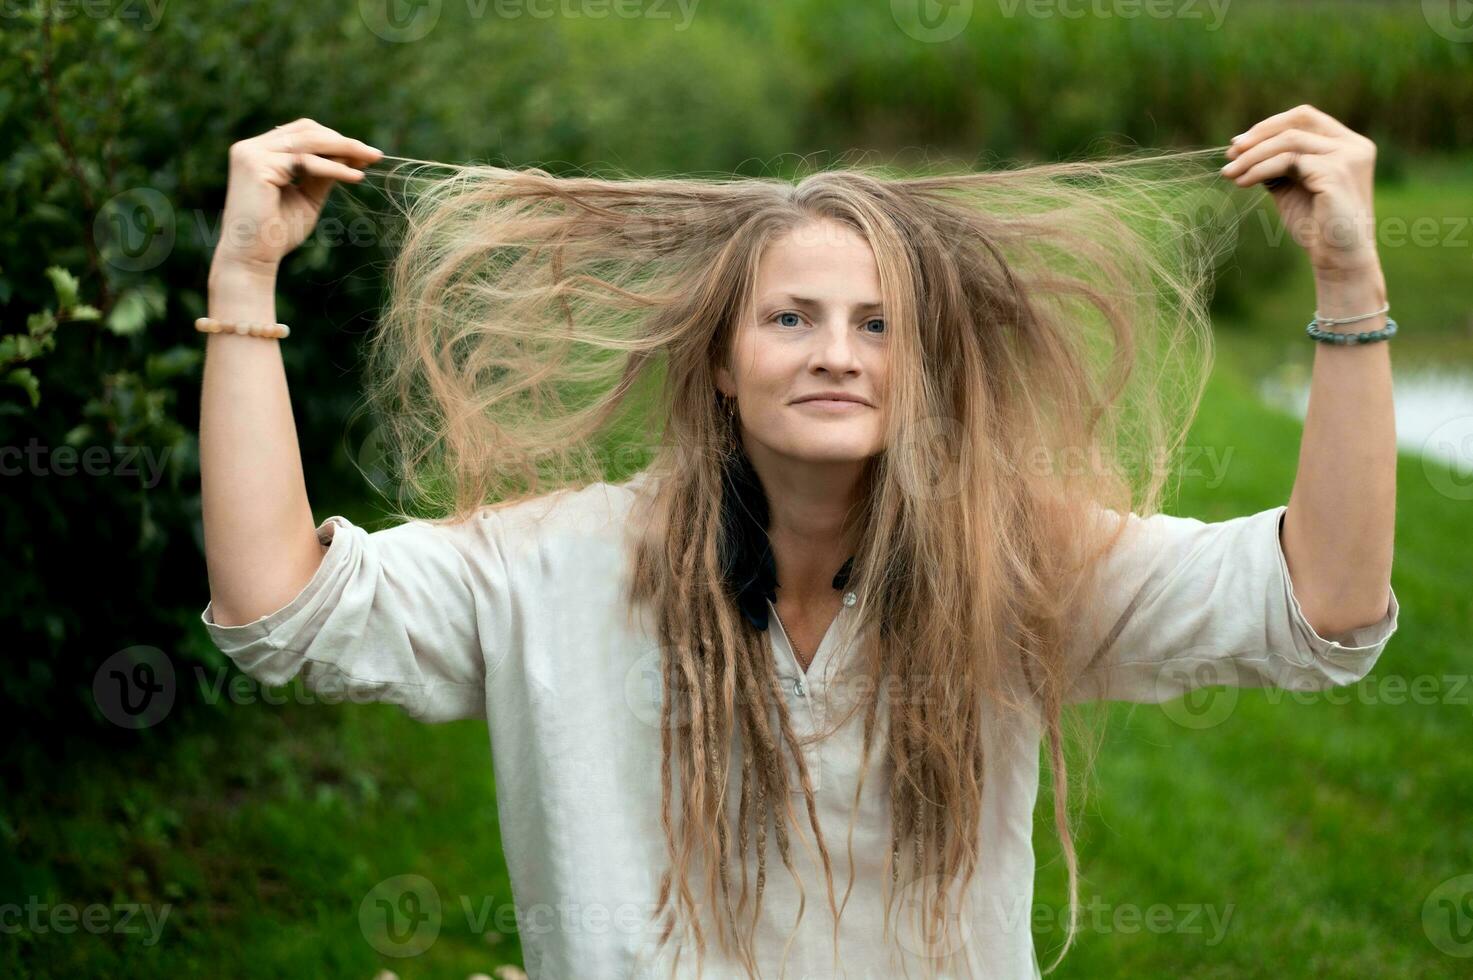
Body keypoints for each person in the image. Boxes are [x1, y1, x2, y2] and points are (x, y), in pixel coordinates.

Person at [199, 111, 1400, 979]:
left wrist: (1349, 282)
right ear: (721, 360)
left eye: (881, 323)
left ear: (925, 367)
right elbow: (281, 611)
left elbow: (1322, 606)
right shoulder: (550, 562)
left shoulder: (1020, 558)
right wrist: (246, 275)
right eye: (792, 317)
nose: (839, 352)